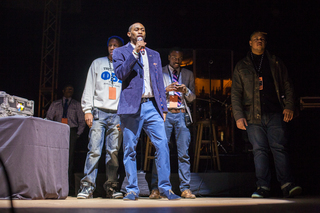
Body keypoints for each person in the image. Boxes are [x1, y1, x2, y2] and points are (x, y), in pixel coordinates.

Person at [112, 22, 180, 200]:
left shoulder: (154, 54)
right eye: (136, 29)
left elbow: (158, 82)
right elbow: (120, 74)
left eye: (142, 29)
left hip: (152, 106)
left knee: (163, 145)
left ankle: (165, 188)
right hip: (130, 106)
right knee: (129, 149)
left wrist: (163, 108)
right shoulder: (120, 52)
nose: (140, 31)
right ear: (129, 34)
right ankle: (132, 189)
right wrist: (135, 53)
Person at [231, 31, 302, 198]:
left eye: (262, 39)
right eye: (256, 39)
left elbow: (288, 85)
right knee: (259, 150)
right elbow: (235, 93)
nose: (259, 41)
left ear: (265, 42)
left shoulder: (275, 62)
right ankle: (263, 187)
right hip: (252, 116)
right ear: (250, 42)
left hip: (276, 112)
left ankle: (287, 184)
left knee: (279, 148)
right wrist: (238, 116)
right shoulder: (242, 66)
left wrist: (290, 106)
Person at [77, 35, 124, 199]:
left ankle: (111, 187)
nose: (112, 48)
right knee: (94, 150)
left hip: (117, 115)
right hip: (98, 112)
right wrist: (87, 110)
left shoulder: (124, 67)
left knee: (113, 153)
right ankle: (87, 186)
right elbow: (89, 86)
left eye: (116, 46)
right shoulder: (97, 63)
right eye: (110, 45)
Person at [149, 47, 196, 199]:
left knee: (184, 153)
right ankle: (156, 188)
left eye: (179, 58)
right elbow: (152, 95)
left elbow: (193, 98)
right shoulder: (161, 72)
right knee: (161, 151)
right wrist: (165, 90)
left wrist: (186, 91)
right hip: (165, 114)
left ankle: (185, 188)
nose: (177, 60)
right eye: (174, 57)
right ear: (169, 57)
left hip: (182, 115)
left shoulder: (188, 74)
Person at [46, 84, 86, 196]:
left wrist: (77, 134)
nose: (70, 90)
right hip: (57, 131)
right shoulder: (56, 103)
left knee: (69, 159)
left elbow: (82, 121)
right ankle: (53, 184)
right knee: (55, 157)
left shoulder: (76, 104)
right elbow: (48, 118)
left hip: (70, 131)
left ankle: (66, 186)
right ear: (63, 90)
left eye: (72, 89)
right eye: (68, 88)